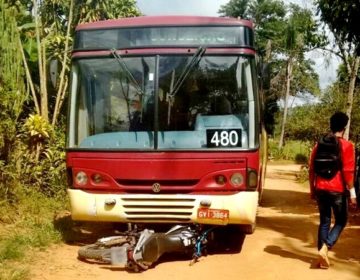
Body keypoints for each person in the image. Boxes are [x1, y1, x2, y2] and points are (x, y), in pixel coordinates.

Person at [309, 112, 357, 269]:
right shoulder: (347, 145)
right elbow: (349, 171)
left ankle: (321, 256)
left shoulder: (319, 144)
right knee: (342, 220)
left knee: (324, 221)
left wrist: (312, 189)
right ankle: (325, 248)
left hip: (320, 188)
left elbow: (311, 169)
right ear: (344, 128)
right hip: (337, 190)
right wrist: (353, 193)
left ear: (331, 125)